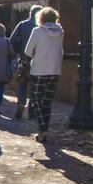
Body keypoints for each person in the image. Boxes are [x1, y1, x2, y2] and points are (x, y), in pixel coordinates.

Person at [24, 7, 64, 143]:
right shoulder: (60, 31)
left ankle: (42, 128)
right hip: (55, 70)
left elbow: (28, 51)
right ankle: (44, 129)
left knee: (35, 99)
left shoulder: (37, 31)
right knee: (47, 102)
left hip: (39, 70)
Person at [9, 5, 44, 119]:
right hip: (39, 61)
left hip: (24, 60)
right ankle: (32, 109)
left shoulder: (22, 24)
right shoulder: (42, 27)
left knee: (23, 84)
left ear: (30, 13)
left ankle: (21, 103)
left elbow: (12, 40)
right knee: (36, 86)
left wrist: (18, 50)